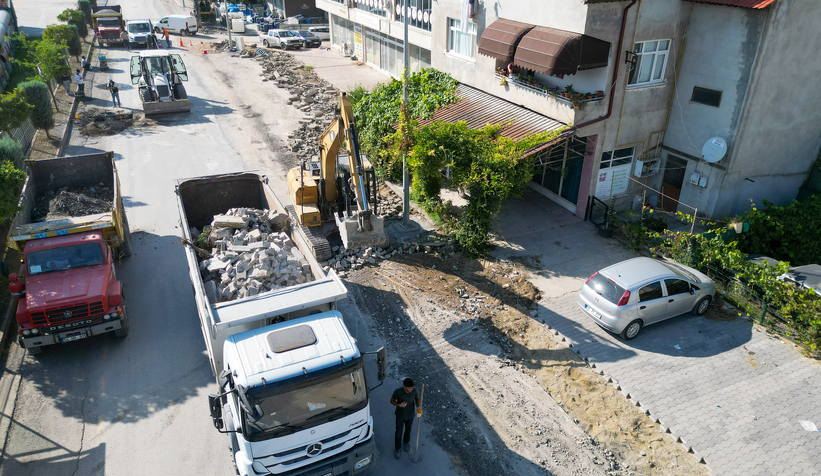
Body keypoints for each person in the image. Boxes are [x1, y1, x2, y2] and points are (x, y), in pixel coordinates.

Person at [390, 378, 421, 460]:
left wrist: (419, 407)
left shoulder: (415, 391)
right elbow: (392, 400)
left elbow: (417, 399)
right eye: (409, 388)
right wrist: (399, 405)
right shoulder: (398, 391)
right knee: (398, 432)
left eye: (412, 388)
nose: (411, 389)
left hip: (410, 415)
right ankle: (397, 449)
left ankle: (406, 443)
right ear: (405, 387)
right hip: (400, 415)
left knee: (408, 430)